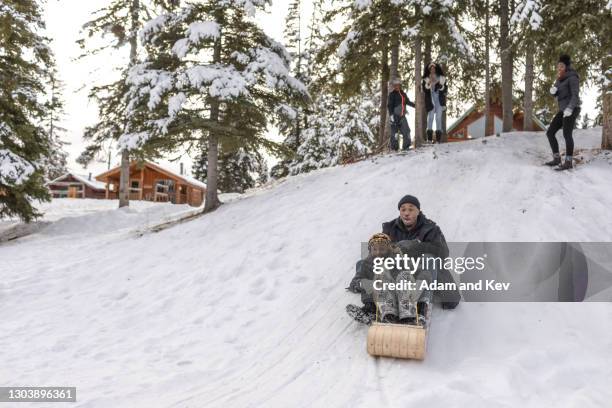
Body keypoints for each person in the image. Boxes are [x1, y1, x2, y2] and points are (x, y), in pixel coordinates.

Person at [382, 194, 461, 309]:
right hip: (401, 274)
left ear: (418, 211)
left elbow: (443, 252)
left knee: (429, 258)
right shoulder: (390, 228)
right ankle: (376, 308)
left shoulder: (430, 228)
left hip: (424, 273)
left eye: (411, 209)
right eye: (403, 209)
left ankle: (423, 305)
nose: (406, 213)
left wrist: (417, 247)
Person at [346, 233, 435, 325]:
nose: (378, 253)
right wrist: (365, 284)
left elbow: (424, 272)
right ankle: (377, 312)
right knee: (379, 279)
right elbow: (354, 283)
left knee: (403, 276)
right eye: (374, 249)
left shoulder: (400, 260)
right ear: (370, 250)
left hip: (402, 298)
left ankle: (409, 315)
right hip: (381, 301)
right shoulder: (366, 264)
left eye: (382, 249)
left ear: (388, 249)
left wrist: (419, 283)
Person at [545, 54, 581, 171]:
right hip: (562, 110)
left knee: (567, 134)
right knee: (550, 132)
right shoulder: (559, 79)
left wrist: (570, 109)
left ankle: (569, 161)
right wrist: (553, 92)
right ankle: (556, 159)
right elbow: (556, 92)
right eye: (558, 66)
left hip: (572, 108)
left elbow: (575, 95)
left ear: (566, 66)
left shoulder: (572, 77)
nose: (559, 68)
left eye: (561, 66)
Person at [422, 63, 447, 143]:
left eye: (434, 68)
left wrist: (440, 86)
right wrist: (428, 85)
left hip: (439, 99)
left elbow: (445, 89)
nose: (432, 70)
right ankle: (429, 139)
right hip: (430, 98)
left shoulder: (441, 78)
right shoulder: (426, 79)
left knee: (438, 118)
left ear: (436, 69)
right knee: (431, 117)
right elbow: (424, 90)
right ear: (429, 70)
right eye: (431, 68)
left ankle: (438, 140)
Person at [387, 78, 415, 151]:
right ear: (394, 86)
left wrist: (415, 105)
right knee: (395, 133)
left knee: (407, 130)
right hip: (395, 116)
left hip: (402, 116)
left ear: (400, 85)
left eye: (398, 85)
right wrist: (391, 115)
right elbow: (390, 105)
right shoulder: (392, 94)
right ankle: (394, 148)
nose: (397, 87)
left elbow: (408, 102)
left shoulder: (403, 94)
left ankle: (406, 147)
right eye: (395, 85)